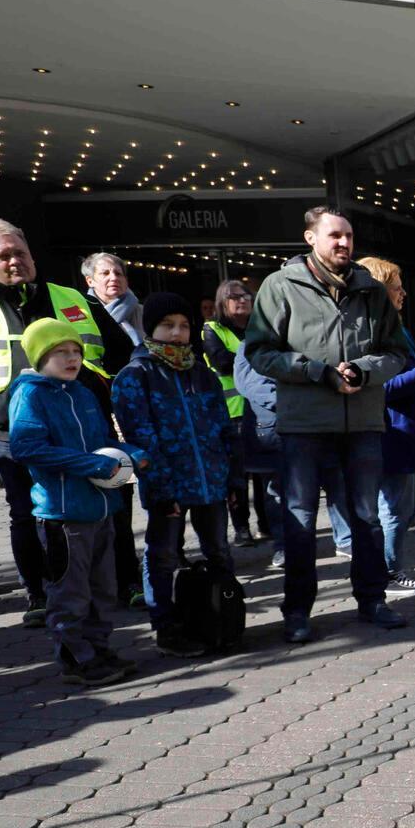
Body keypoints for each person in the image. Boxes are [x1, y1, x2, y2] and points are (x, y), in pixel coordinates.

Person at [0, 219, 138, 627]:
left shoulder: (72, 297)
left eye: (20, 253)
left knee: (108, 503)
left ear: (31, 253)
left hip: (82, 423)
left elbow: (120, 351)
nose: (14, 261)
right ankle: (40, 594)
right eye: (3, 256)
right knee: (27, 512)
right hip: (9, 431)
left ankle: (124, 582)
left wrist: (102, 388)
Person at [244, 205, 410, 642]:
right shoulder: (280, 287)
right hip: (303, 424)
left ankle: (373, 599)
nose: (343, 243)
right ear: (310, 238)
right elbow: (259, 352)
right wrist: (315, 371)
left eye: (349, 236)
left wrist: (363, 370)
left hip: (362, 424)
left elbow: (396, 353)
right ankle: (297, 612)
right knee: (299, 520)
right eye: (334, 235)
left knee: (366, 518)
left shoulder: (371, 290)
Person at [6, 319, 144, 687]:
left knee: (102, 588)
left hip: (101, 509)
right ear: (40, 357)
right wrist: (94, 464)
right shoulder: (31, 394)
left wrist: (133, 454)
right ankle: (74, 656)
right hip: (64, 514)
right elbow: (27, 448)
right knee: (71, 591)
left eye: (76, 352)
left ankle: (97, 649)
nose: (71, 358)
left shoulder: (82, 392)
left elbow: (102, 441)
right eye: (60, 352)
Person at [111, 293, 236, 658]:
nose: (177, 333)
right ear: (151, 329)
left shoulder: (203, 374)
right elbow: (140, 437)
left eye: (183, 326)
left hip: (211, 480)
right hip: (169, 485)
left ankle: (222, 614)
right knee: (163, 554)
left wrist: (232, 479)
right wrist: (163, 488)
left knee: (219, 550)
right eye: (168, 326)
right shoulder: (136, 376)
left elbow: (223, 426)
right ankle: (166, 625)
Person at [357, 257, 415, 597]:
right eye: (396, 287)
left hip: (412, 429)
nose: (403, 292)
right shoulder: (369, 331)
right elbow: (379, 387)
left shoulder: (397, 325)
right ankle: (388, 572)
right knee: (393, 506)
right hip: (391, 431)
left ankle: (383, 562)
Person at [203, 278, 263, 546]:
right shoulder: (212, 329)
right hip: (232, 413)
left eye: (246, 296)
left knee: (265, 474)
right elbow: (223, 363)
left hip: (262, 410)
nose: (241, 300)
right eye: (234, 296)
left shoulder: (262, 327)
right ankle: (241, 529)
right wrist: (258, 357)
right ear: (222, 302)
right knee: (236, 477)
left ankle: (267, 524)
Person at [233, 332, 286, 569]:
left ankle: (345, 541)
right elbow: (251, 385)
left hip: (307, 424)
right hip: (269, 429)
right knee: (277, 492)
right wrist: (295, 401)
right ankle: (284, 546)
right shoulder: (249, 345)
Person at [83, 253, 145, 347]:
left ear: (126, 280)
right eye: (105, 273)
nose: (114, 278)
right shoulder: (83, 314)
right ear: (90, 281)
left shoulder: (144, 312)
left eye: (118, 273)